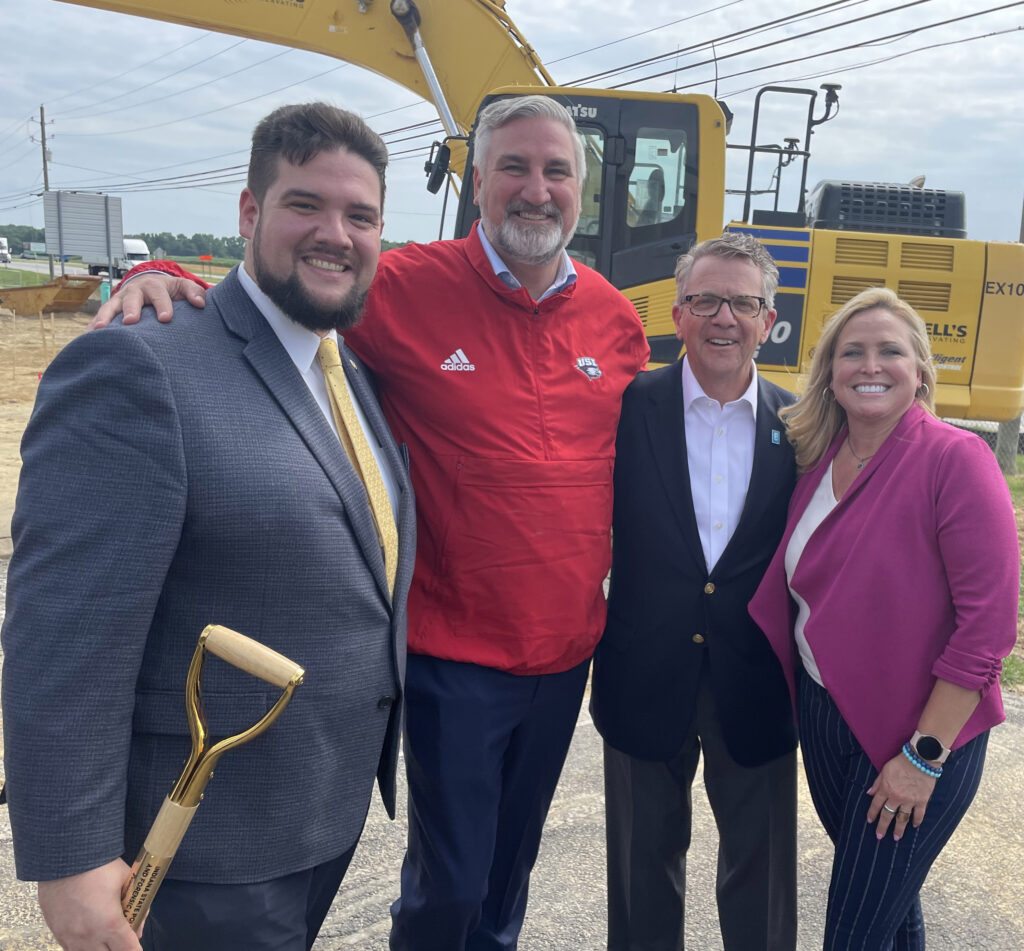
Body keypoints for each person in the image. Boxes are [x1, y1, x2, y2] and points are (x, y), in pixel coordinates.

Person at [90, 94, 650, 950]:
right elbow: (288, 285)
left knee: (507, 880)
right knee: (451, 883)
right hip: (453, 652)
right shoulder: (404, 284)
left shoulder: (614, 319)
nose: (536, 189)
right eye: (513, 167)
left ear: (583, 191)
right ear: (476, 182)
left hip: (564, 653)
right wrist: (153, 277)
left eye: (556, 171)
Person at [0, 102, 417, 951]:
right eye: (306, 204)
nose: (335, 233)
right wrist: (70, 858)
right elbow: (61, 630)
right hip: (197, 850)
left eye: (360, 215)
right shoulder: (141, 361)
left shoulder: (345, 371)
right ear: (249, 213)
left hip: (313, 820)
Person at [748, 287, 1018, 950]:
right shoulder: (815, 463)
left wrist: (922, 758)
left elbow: (988, 628)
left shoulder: (955, 459)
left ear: (920, 370)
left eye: (889, 350)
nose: (871, 365)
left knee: (853, 931)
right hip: (826, 718)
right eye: (853, 352)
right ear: (831, 374)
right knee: (888, 911)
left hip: (919, 732)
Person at [590, 232, 799, 951]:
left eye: (743, 303)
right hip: (643, 672)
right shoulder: (624, 407)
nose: (724, 318)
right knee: (642, 872)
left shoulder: (802, 426)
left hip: (760, 680)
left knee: (762, 876)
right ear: (677, 314)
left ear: (768, 321)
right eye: (706, 299)